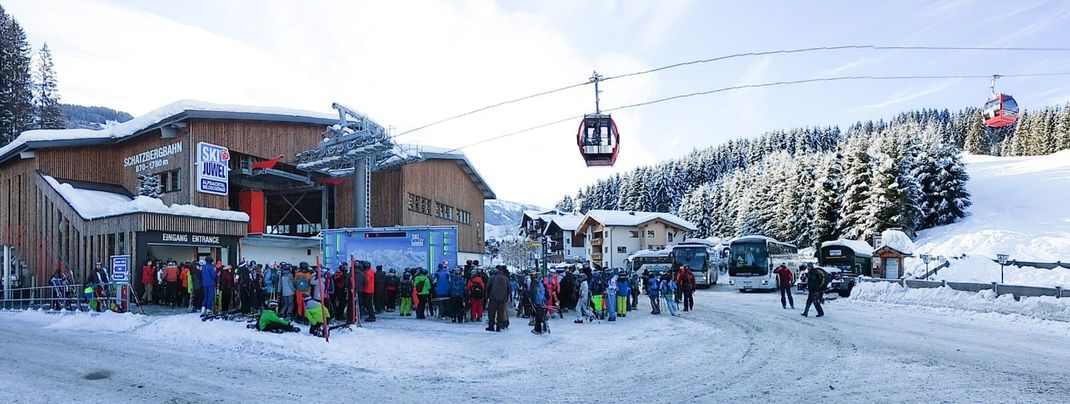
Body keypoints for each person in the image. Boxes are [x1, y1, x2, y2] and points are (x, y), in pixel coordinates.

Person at [485, 266, 510, 332]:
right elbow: (508, 289)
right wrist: (506, 298)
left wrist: (486, 297)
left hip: (493, 298)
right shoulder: (506, 278)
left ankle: (491, 326)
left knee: (491, 313)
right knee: (500, 313)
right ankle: (499, 326)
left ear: (497, 270)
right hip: (502, 299)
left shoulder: (492, 277)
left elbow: (488, 287)